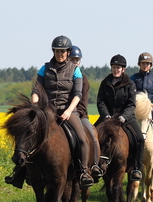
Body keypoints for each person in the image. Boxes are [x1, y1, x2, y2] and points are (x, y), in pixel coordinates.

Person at [5, 35, 95, 188]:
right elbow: (36, 90)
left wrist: (68, 111)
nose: (60, 54)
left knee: (82, 138)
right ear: (53, 52)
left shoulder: (75, 70)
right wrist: (35, 106)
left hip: (68, 111)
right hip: (47, 111)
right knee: (30, 135)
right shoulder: (44, 68)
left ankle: (84, 171)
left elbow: (78, 95)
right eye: (57, 51)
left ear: (68, 52)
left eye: (63, 51)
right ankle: (20, 172)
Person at [96, 54, 144, 182]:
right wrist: (105, 115)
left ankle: (136, 168)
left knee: (139, 138)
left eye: (118, 67)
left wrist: (124, 116)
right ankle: (93, 167)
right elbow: (101, 102)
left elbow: (131, 104)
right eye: (114, 67)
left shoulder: (130, 83)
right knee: (92, 135)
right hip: (107, 117)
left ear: (123, 69)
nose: (116, 70)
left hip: (125, 118)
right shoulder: (105, 83)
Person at [67, 46, 103, 178]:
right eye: (72, 59)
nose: (75, 62)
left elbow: (83, 103)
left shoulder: (84, 79)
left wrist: (75, 113)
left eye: (77, 60)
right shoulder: (62, 76)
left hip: (79, 114)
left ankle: (94, 165)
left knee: (92, 136)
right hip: (60, 113)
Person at [129, 52, 153, 166]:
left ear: (150, 65)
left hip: (150, 110)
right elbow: (131, 94)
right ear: (139, 64)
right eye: (143, 63)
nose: (145, 65)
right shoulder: (133, 78)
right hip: (136, 111)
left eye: (147, 63)